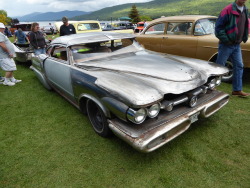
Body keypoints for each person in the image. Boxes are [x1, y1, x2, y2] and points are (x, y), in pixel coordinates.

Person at [215, 0, 249, 97]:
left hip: (237, 45)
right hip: (226, 44)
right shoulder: (228, 9)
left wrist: (243, 37)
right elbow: (218, 28)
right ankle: (211, 88)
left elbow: (245, 25)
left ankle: (237, 90)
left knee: (239, 66)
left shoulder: (245, 10)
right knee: (219, 67)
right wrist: (227, 40)